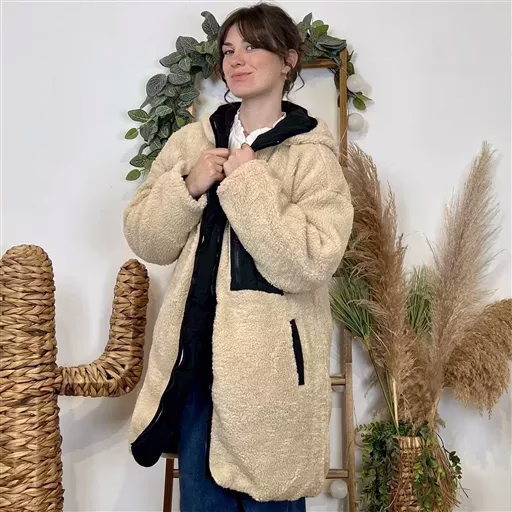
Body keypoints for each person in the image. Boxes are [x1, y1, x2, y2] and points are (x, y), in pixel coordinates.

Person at [122, 2, 354, 511]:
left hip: (272, 378)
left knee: (273, 500)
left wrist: (247, 181)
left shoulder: (310, 155)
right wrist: (190, 185)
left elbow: (313, 260)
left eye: (253, 47)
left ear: (288, 60)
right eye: (229, 50)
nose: (237, 60)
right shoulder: (193, 143)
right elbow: (146, 240)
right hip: (196, 367)